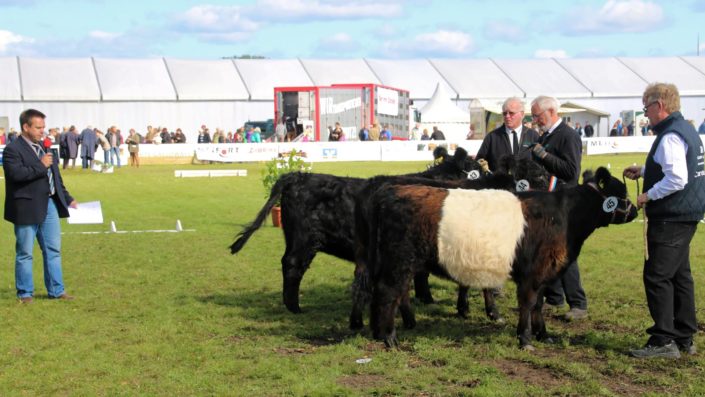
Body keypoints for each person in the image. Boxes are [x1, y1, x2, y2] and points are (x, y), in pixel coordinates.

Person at [623, 83, 705, 359]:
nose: (645, 114)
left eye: (646, 108)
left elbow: (677, 178)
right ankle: (684, 337)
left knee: (657, 276)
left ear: (659, 105)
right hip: (687, 214)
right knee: (680, 275)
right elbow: (676, 166)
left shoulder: (670, 136)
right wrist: (644, 171)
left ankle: (663, 340)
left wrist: (648, 194)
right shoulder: (687, 129)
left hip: (671, 215)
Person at [3, 109, 77, 303]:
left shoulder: (46, 147)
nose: (42, 131)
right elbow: (16, 175)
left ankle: (56, 290)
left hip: (50, 204)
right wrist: (40, 165)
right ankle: (25, 293)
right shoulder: (13, 150)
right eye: (38, 127)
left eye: (44, 127)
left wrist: (68, 199)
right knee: (25, 252)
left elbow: (55, 178)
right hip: (26, 207)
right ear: (25, 127)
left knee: (53, 250)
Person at [530, 95, 588, 321]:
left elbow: (571, 171)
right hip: (549, 202)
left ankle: (578, 303)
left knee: (564, 254)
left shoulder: (568, 136)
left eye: (538, 116)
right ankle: (555, 297)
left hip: (565, 203)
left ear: (552, 111)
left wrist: (543, 155)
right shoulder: (548, 135)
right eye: (533, 116)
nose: (535, 120)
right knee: (548, 252)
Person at [476, 97, 539, 172]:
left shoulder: (533, 135)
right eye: (505, 113)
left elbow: (539, 163)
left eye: (511, 113)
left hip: (526, 182)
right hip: (500, 182)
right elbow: (479, 161)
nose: (507, 116)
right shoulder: (492, 137)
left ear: (522, 114)